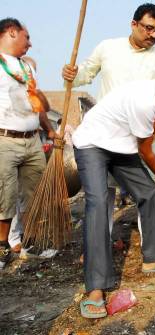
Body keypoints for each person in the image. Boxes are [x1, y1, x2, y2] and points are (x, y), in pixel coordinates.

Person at [72, 65, 155, 318]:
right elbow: (145, 149)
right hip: (93, 144)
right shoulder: (144, 101)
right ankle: (96, 289)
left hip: (122, 147)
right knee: (98, 203)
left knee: (149, 192)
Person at [62, 3, 155, 242]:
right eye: (148, 28)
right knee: (102, 196)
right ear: (133, 24)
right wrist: (73, 74)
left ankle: (153, 251)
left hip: (142, 137)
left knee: (149, 192)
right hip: (105, 135)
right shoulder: (108, 47)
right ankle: (100, 246)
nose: (153, 35)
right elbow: (85, 73)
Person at [0, 18, 56, 268]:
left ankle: (26, 243)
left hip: (32, 141)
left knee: (34, 195)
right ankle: (3, 249)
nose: (30, 44)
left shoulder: (26, 68)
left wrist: (49, 130)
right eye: (27, 37)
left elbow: (36, 104)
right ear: (12, 32)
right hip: (5, 141)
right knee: (5, 198)